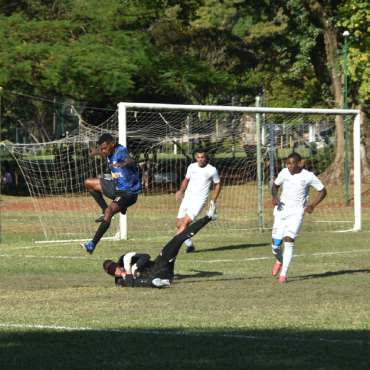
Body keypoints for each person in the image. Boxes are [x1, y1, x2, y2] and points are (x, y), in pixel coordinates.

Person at [103, 204, 218, 288]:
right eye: (112, 274)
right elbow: (128, 285)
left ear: (116, 264)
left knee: (177, 239)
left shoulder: (124, 259)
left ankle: (209, 217)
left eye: (114, 270)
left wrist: (135, 266)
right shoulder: (118, 280)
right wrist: (129, 268)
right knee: (137, 282)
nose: (116, 274)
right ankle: (156, 283)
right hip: (162, 274)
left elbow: (146, 256)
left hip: (160, 262)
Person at [81, 133, 142, 254]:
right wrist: (97, 152)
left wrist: (124, 164)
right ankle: (107, 209)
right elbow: (105, 154)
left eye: (105, 148)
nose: (104, 150)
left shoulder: (121, 151)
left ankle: (92, 245)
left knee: (109, 211)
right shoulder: (109, 152)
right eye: (102, 148)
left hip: (128, 193)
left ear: (112, 143)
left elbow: (131, 160)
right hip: (116, 187)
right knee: (88, 183)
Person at [271, 153, 327, 283]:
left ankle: (283, 274)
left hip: (296, 213)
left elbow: (323, 191)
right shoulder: (284, 172)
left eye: (291, 163)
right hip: (281, 211)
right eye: (287, 163)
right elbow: (275, 186)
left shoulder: (308, 176)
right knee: (276, 245)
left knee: (289, 240)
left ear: (299, 163)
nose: (288, 166)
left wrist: (312, 205)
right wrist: (274, 197)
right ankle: (279, 260)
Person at [175, 148, 221, 253]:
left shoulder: (212, 170)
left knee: (185, 223)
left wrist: (213, 200)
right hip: (187, 198)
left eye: (202, 157)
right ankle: (190, 245)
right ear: (196, 157)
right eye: (198, 157)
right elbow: (186, 180)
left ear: (206, 157)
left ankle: (173, 246)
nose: (200, 160)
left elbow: (218, 184)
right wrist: (180, 190)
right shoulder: (191, 167)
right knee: (179, 225)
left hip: (199, 200)